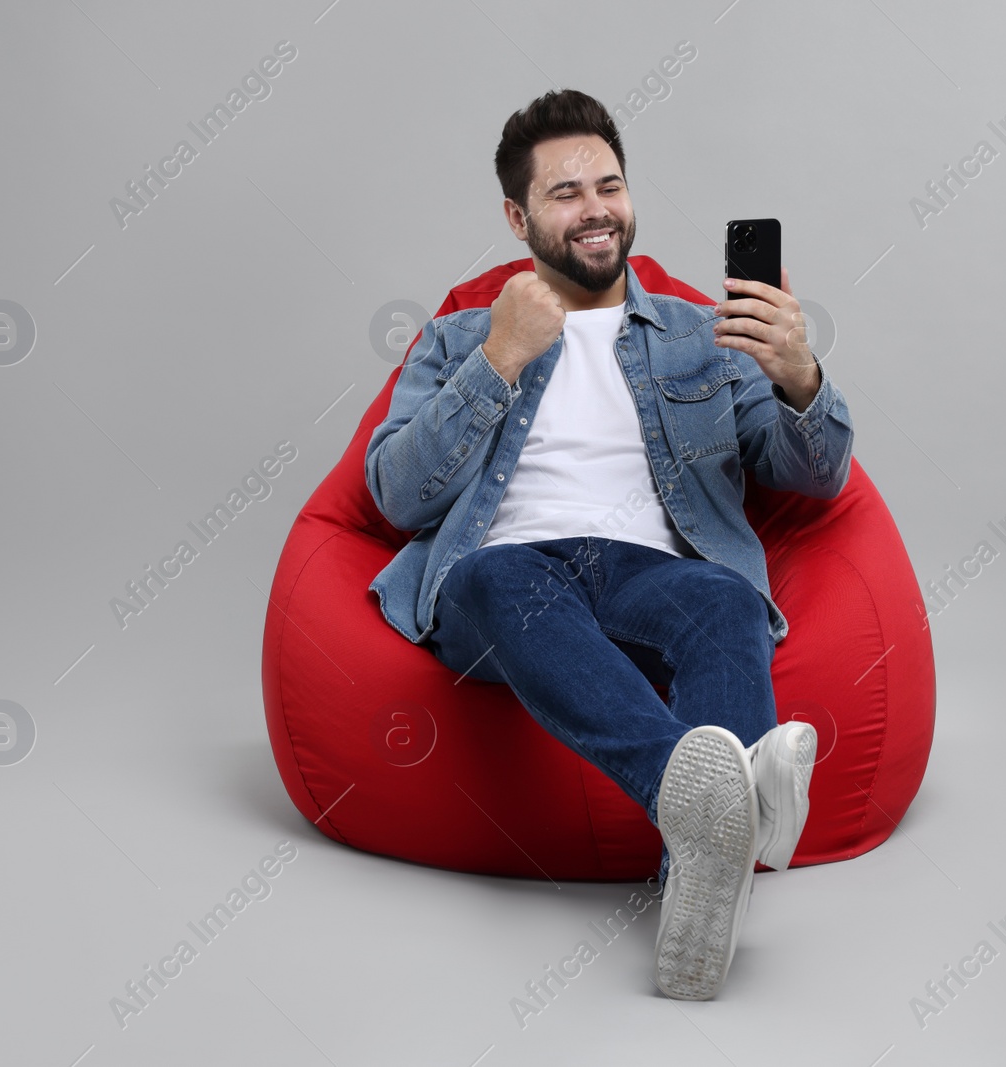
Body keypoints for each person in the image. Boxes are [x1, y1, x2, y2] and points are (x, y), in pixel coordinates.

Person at [363, 88, 854, 1000]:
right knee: (506, 576)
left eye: (610, 184)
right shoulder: (460, 335)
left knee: (727, 599)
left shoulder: (701, 336)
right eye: (565, 192)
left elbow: (812, 476)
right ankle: (728, 799)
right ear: (518, 216)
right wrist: (499, 358)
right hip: (503, 583)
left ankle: (698, 885)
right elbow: (394, 493)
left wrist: (799, 376)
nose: (596, 209)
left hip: (649, 576)